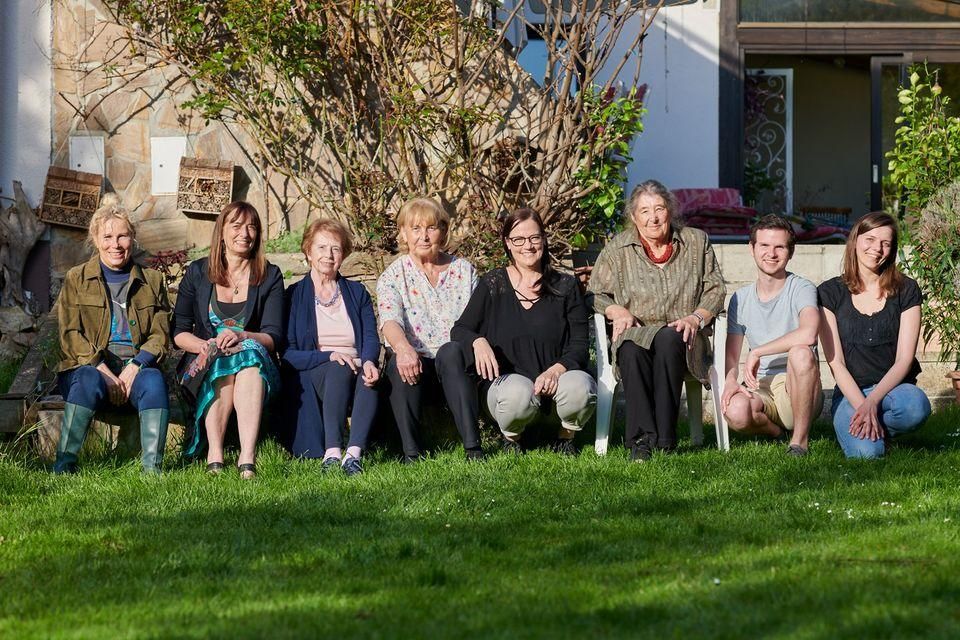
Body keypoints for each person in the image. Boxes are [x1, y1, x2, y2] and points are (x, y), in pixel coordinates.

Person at [588, 180, 725, 462]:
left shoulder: (696, 242)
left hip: (684, 335)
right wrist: (615, 310)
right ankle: (640, 441)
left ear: (670, 211)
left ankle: (664, 439)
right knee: (630, 350)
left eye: (659, 209)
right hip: (636, 332)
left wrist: (696, 317)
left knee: (668, 338)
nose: (653, 217)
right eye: (645, 211)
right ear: (633, 216)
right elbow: (594, 294)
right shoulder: (617, 249)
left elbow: (716, 289)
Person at [451, 208, 595, 454]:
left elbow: (580, 345)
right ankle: (512, 439)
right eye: (518, 239)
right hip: (510, 389)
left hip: (556, 384)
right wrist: (477, 341)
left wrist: (556, 370)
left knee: (581, 387)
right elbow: (460, 330)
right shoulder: (493, 284)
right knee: (518, 393)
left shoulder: (565, 285)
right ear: (508, 243)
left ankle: (565, 437)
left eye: (534, 238)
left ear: (544, 240)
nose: (527, 246)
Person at [53, 194, 170, 474]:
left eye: (122, 236)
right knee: (87, 378)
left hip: (135, 369)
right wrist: (102, 368)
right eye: (107, 237)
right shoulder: (77, 278)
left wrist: (136, 365)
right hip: (89, 369)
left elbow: (160, 334)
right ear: (95, 239)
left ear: (133, 238)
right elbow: (70, 334)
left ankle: (152, 471)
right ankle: (64, 466)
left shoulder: (153, 280)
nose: (115, 245)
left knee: (154, 381)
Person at [173, 201, 283, 479]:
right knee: (221, 360)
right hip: (204, 360)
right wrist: (206, 346)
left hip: (255, 362)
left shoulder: (270, 275)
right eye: (236, 226)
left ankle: (247, 456)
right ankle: (215, 452)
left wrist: (242, 335)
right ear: (221, 231)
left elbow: (273, 336)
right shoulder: (197, 272)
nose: (244, 233)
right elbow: (179, 332)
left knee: (248, 358)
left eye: (251, 227)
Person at [377, 197, 482, 462]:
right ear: (403, 233)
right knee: (399, 363)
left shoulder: (464, 271)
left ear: (443, 232)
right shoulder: (393, 276)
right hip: (417, 363)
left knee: (451, 352)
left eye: (431, 228)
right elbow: (390, 321)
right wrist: (403, 349)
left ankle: (473, 448)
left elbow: (478, 321)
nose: (423, 236)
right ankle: (412, 453)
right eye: (415, 228)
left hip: (457, 364)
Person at [818, 211, 931, 459]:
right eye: (870, 239)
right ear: (855, 241)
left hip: (894, 391)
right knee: (867, 455)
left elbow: (904, 360)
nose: (877, 249)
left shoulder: (907, 289)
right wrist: (862, 404)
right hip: (851, 393)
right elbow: (836, 363)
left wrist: (872, 402)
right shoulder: (829, 292)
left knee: (916, 407)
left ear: (892, 249)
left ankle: (876, 426)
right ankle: (869, 433)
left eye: (885, 243)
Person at [282, 219, 380, 475]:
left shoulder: (357, 293)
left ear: (343, 255)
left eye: (336, 248)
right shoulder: (294, 295)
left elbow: (371, 337)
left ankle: (353, 455)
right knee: (339, 367)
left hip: (357, 364)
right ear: (308, 252)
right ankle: (332, 452)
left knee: (370, 377)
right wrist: (330, 355)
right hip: (319, 369)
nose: (329, 255)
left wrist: (369, 360)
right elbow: (288, 354)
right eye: (322, 247)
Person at [722, 215, 822, 456]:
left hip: (796, 385)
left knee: (800, 353)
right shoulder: (741, 298)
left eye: (780, 247)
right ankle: (776, 432)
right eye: (764, 245)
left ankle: (799, 442)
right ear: (752, 248)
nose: (771, 253)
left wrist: (758, 351)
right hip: (760, 386)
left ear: (791, 252)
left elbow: (809, 333)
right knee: (735, 412)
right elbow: (732, 355)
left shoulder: (802, 288)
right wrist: (730, 381)